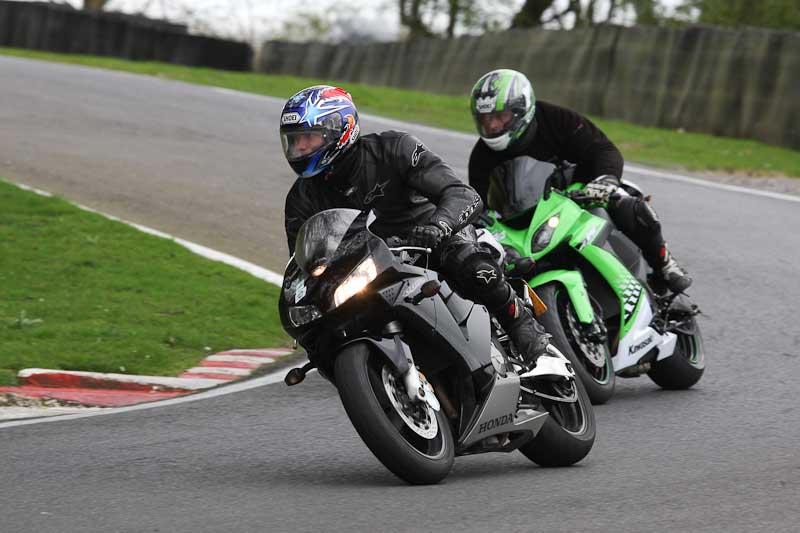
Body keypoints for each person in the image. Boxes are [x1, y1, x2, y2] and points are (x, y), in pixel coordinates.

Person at [280, 85, 550, 366]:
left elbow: (461, 194)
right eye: (294, 141)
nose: (299, 149)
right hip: (371, 267)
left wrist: (439, 226)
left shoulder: (394, 149)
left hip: (432, 238)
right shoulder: (301, 199)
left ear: (340, 128)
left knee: (472, 266)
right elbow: (304, 263)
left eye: (308, 138)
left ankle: (521, 324)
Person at [467, 69, 692, 293]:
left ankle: (665, 265)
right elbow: (481, 206)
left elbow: (603, 149)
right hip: (527, 219)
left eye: (500, 116)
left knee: (628, 204)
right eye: (486, 119)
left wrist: (605, 180)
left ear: (521, 110)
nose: (493, 126)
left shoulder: (556, 119)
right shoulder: (480, 157)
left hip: (581, 192)